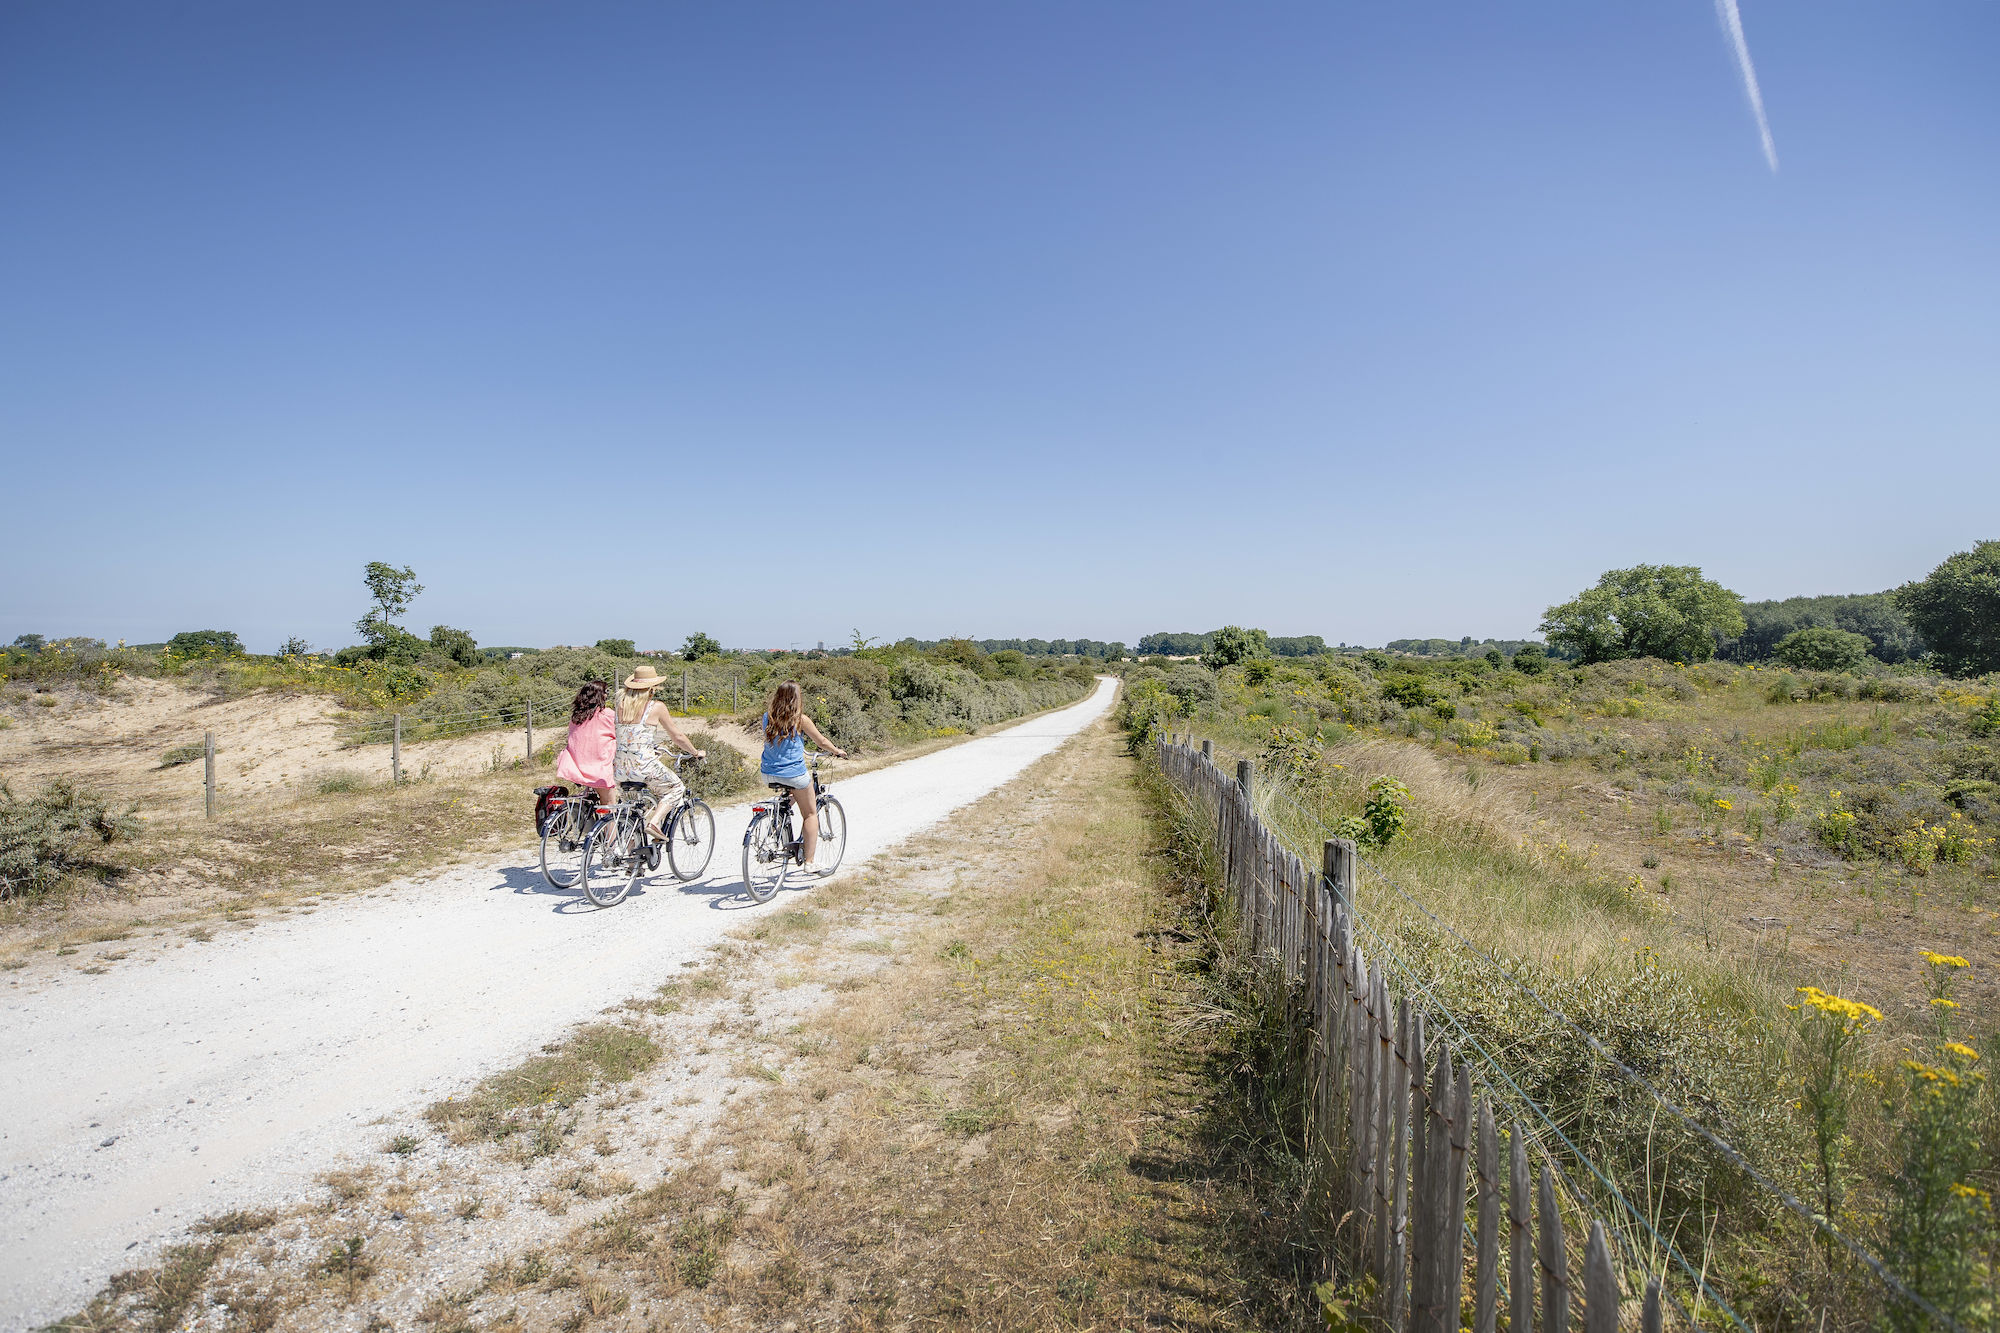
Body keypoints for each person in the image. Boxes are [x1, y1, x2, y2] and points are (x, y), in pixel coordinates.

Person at [760, 680, 847, 868]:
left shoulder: (767, 717)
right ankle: (809, 862)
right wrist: (836, 750)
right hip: (793, 773)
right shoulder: (800, 719)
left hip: (767, 772)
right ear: (796, 699)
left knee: (791, 793)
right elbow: (821, 741)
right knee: (810, 813)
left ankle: (777, 822)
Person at [615, 665, 705, 835]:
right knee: (676, 787)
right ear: (651, 689)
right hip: (644, 767)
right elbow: (677, 736)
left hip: (620, 769)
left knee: (631, 812)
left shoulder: (620, 705)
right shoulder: (656, 707)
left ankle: (632, 858)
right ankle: (655, 823)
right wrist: (695, 752)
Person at [554, 680, 615, 807]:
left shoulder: (576, 716)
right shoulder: (607, 714)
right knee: (609, 803)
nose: (607, 695)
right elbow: (620, 734)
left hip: (575, 767)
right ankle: (608, 826)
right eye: (606, 692)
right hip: (598, 768)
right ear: (600, 695)